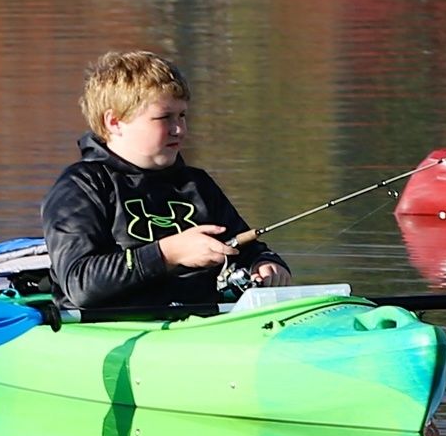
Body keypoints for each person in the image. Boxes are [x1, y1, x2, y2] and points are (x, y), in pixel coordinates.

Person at [44, 50, 294, 315]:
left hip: (202, 324)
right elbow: (80, 283)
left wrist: (266, 265)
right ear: (115, 122)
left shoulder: (197, 184)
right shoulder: (81, 187)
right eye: (165, 118)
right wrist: (167, 254)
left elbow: (249, 249)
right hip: (110, 326)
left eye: (182, 116)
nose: (180, 130)